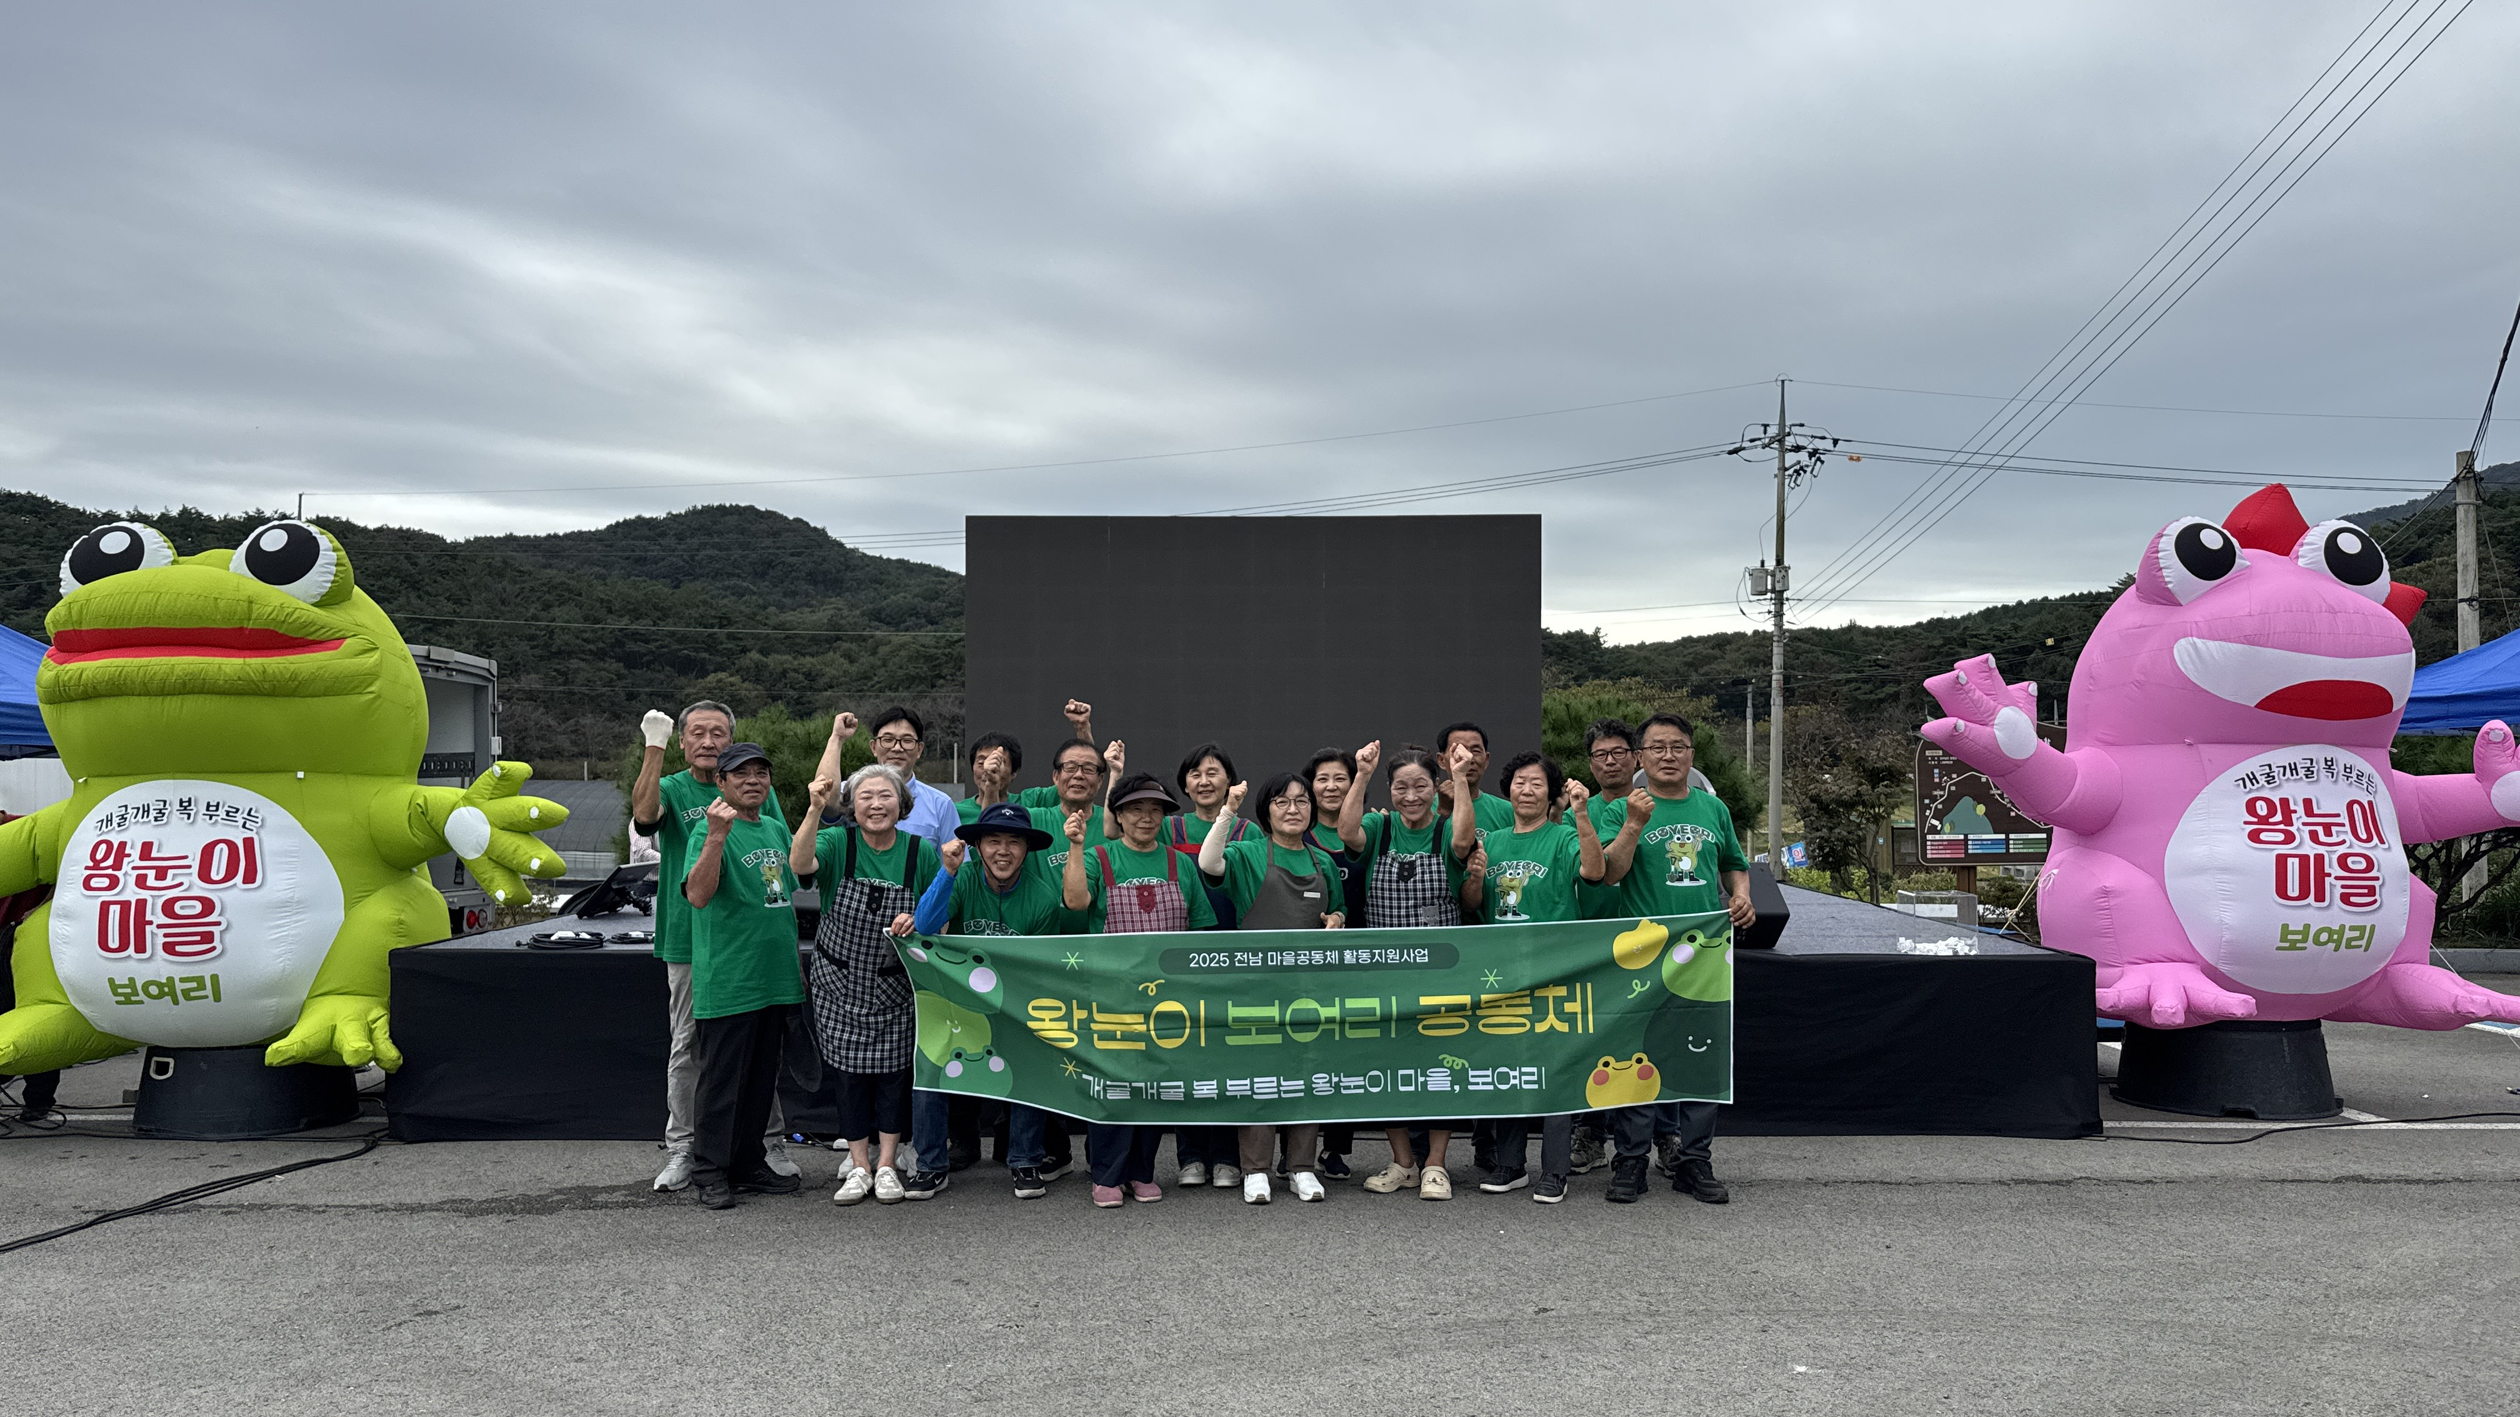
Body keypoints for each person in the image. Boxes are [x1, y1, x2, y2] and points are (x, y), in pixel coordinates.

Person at [630, 702, 798, 1193]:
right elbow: (643, 816)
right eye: (697, 733)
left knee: (758, 1050)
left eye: (718, 733)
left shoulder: (754, 791)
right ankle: (685, 1146)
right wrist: (653, 747)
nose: (708, 741)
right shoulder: (674, 787)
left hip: (755, 943)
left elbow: (783, 864)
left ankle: (763, 1145)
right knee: (691, 1046)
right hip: (690, 935)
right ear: (683, 742)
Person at [1593, 713, 1756, 1206]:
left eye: (1678, 747)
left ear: (1691, 754)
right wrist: (1635, 824)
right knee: (1634, 1055)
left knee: (1702, 1058)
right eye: (1657, 748)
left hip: (1706, 952)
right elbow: (1610, 874)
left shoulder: (1712, 808)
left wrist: (1742, 896)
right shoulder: (1621, 808)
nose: (1668, 756)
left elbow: (1733, 864)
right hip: (1643, 952)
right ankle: (1630, 1163)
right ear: (1639, 757)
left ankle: (1695, 1161)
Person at [908, 802, 1081, 1202]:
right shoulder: (962, 878)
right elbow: (926, 925)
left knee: (1030, 1063)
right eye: (993, 841)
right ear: (978, 847)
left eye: (1013, 842)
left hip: (1016, 1003)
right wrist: (947, 872)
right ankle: (931, 1166)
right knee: (930, 1066)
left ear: (1026, 850)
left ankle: (1024, 1160)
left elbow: (1038, 968)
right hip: (958, 1003)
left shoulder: (1040, 896)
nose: (1003, 850)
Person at [1060, 774, 1219, 1205]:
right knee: (1114, 1085)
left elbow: (1200, 929)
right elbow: (1076, 902)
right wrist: (1075, 845)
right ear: (1119, 815)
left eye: (1155, 810)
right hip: (1113, 995)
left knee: (1153, 1085)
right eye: (1135, 809)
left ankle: (1141, 1171)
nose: (1146, 818)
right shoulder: (1099, 857)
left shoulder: (1179, 863)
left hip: (1167, 998)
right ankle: (1107, 1174)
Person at [792, 762, 944, 1206]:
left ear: (903, 803)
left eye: (886, 796)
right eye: (865, 797)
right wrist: (814, 810)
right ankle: (858, 1165)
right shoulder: (839, 841)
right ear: (852, 806)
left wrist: (916, 921)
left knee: (895, 1076)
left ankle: (887, 1164)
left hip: (895, 984)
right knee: (849, 1077)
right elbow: (800, 863)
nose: (876, 804)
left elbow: (939, 915)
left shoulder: (921, 852)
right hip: (838, 983)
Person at [1331, 742, 1477, 1200]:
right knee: (1387, 1068)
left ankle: (1437, 1164)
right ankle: (1403, 1163)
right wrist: (1361, 774)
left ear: (1435, 789)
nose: (1410, 796)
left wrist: (1461, 778)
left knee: (1439, 1069)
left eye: (1420, 786)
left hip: (1441, 974)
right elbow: (1346, 830)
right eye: (1400, 787)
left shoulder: (1443, 831)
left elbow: (1463, 839)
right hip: (1383, 974)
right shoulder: (1381, 826)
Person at [1470, 746, 1609, 1204]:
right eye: (1519, 782)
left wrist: (1582, 815)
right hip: (1502, 974)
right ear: (1507, 789)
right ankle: (1511, 1164)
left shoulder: (1563, 835)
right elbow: (1474, 904)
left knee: (1555, 1072)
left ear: (1551, 794)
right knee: (1509, 1070)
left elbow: (1594, 870)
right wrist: (1474, 875)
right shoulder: (1492, 840)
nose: (1526, 790)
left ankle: (1555, 1170)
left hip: (1555, 968)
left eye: (1537, 783)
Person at [1198, 774, 1344, 1205]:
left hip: (1309, 992)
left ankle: (1301, 1167)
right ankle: (1255, 1171)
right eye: (1282, 801)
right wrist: (1229, 809)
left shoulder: (1324, 863)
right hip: (1255, 988)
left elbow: (1336, 909)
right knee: (1258, 1077)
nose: (1294, 809)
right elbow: (1208, 863)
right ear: (1267, 811)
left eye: (1301, 801)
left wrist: (1336, 920)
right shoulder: (1245, 853)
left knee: (1305, 1074)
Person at [679, 742, 807, 1211]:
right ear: (722, 782)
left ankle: (748, 1162)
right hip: (730, 981)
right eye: (741, 774)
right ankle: (709, 1170)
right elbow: (697, 894)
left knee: (759, 1080)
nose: (753, 780)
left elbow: (782, 895)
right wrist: (715, 836)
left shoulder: (773, 827)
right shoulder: (708, 829)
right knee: (721, 1083)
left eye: (761, 773)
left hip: (775, 980)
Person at [1161, 741, 1250, 1185]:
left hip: (1233, 956)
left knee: (1228, 1055)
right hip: (1180, 957)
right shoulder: (1168, 828)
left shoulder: (1247, 831)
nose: (1203, 780)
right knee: (1186, 1056)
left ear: (1230, 781)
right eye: (1195, 773)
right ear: (1184, 784)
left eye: (1213, 772)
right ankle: (1190, 1157)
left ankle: (1228, 1157)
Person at [1302, 745, 1370, 1179]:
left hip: (1359, 958)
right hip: (1306, 963)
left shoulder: (1368, 828)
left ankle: (1336, 1148)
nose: (1331, 786)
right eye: (1322, 779)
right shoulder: (1294, 832)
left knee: (1345, 1054)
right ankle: (1294, 1150)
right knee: (1305, 1052)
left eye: (1340, 779)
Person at [816, 706, 959, 850]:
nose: (897, 748)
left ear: (919, 749)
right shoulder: (850, 791)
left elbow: (956, 865)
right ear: (873, 747)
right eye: (888, 739)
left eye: (907, 740)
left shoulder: (940, 804)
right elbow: (824, 796)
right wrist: (837, 738)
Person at [1435, 721, 1517, 839]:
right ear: (1441, 760)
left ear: (1486, 760)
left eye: (1475, 751)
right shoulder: (1425, 809)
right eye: (1458, 751)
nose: (1468, 759)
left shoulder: (1508, 812)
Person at [955, 731, 1026, 826]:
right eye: (981, 763)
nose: (988, 769)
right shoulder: (955, 812)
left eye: (998, 763)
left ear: (1014, 772)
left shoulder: (1029, 802)